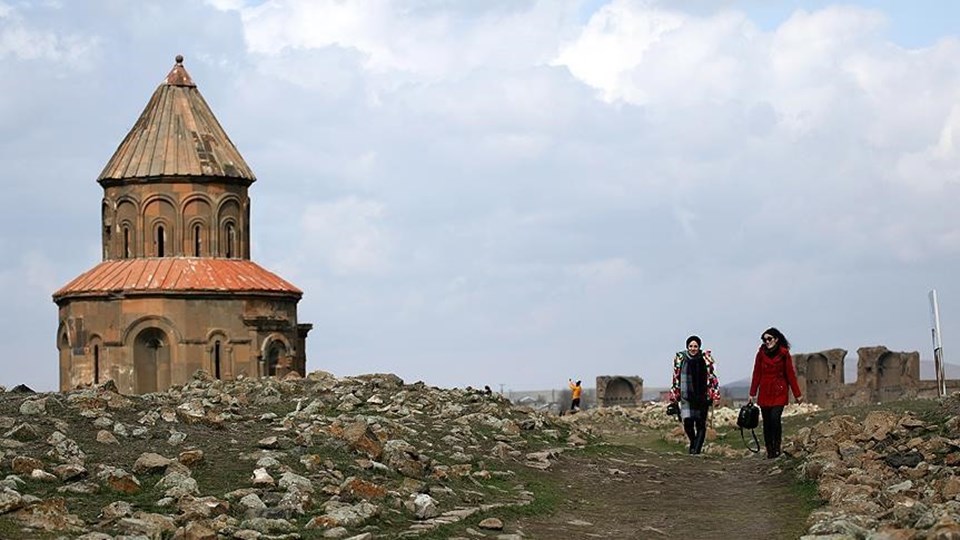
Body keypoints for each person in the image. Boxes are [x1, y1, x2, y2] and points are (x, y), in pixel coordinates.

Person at [749, 327, 803, 459]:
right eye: (764, 339)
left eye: (769, 339)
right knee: (767, 422)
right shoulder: (760, 354)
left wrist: (797, 394)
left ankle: (777, 447)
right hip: (765, 391)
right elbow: (756, 373)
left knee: (775, 418)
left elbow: (790, 374)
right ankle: (770, 450)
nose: (766, 341)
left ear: (776, 339)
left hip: (779, 390)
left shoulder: (784, 354)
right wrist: (752, 393)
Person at [669, 335, 720, 454]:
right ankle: (693, 442)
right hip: (686, 395)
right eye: (691, 346)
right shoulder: (681, 359)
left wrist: (716, 395)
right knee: (687, 423)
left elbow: (713, 378)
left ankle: (696, 451)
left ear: (699, 347)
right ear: (687, 347)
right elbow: (675, 377)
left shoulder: (706, 359)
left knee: (701, 424)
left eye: (695, 346)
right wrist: (674, 394)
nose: (693, 348)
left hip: (703, 395)